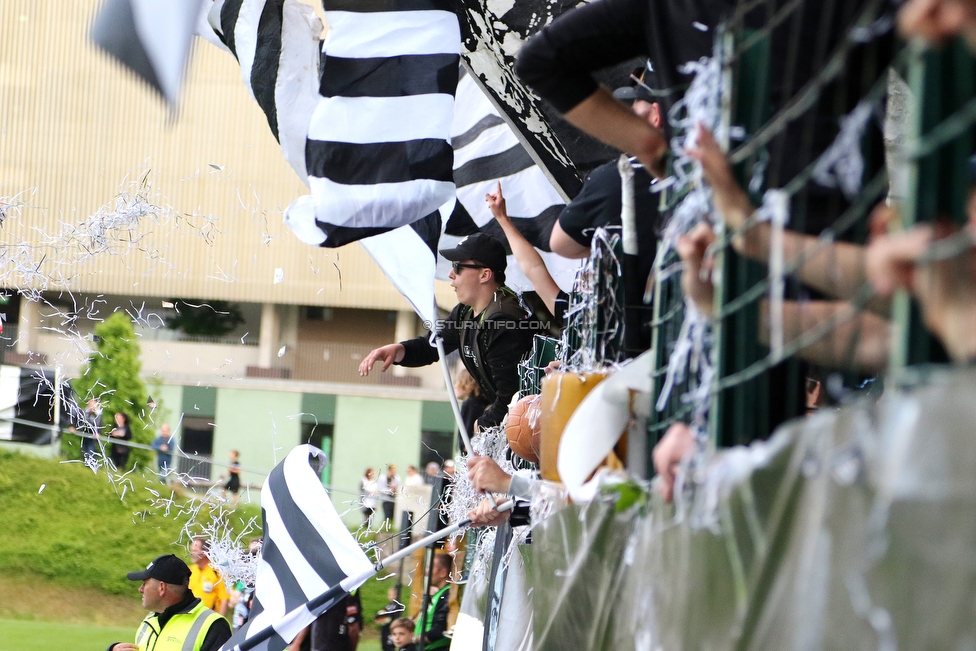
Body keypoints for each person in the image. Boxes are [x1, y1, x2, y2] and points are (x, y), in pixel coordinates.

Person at [359, 233, 537, 430]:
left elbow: (513, 395)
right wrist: (399, 350)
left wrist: (483, 424)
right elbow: (433, 346)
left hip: (529, 423)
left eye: (458, 267)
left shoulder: (502, 321)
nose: (451, 274)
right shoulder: (465, 312)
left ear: (484, 275)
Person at [107, 553, 231, 651]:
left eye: (145, 584)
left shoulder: (214, 626)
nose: (140, 589)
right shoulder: (150, 619)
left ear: (161, 587)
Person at [413, 553, 452, 650]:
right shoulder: (440, 593)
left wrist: (414, 639)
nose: (426, 573)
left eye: (430, 568)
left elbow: (441, 628)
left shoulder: (447, 594)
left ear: (443, 572)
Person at [188, 537, 229, 616]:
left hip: (208, 619)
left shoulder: (218, 572)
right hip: (189, 618)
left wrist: (220, 622)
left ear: (205, 552)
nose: (191, 553)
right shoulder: (189, 570)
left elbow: (225, 600)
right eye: (191, 551)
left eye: (195, 551)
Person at [454, 369, 490, 446]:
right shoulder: (483, 402)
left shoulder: (470, 403)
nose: (455, 386)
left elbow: (466, 433)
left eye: (457, 382)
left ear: (466, 384)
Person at [374, 587, 405, 651]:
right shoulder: (389, 606)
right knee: (384, 646)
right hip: (385, 630)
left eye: (393, 595)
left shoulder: (397, 605)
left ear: (396, 595)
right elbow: (382, 613)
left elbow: (392, 615)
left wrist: (385, 616)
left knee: (389, 646)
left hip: (391, 629)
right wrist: (378, 617)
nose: (391, 597)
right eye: (390, 595)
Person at [79, 397, 103, 462]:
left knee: (91, 451)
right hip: (85, 434)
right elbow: (83, 422)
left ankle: (90, 465)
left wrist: (98, 433)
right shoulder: (85, 412)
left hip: (93, 436)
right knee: (84, 451)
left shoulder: (98, 414)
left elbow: (99, 424)